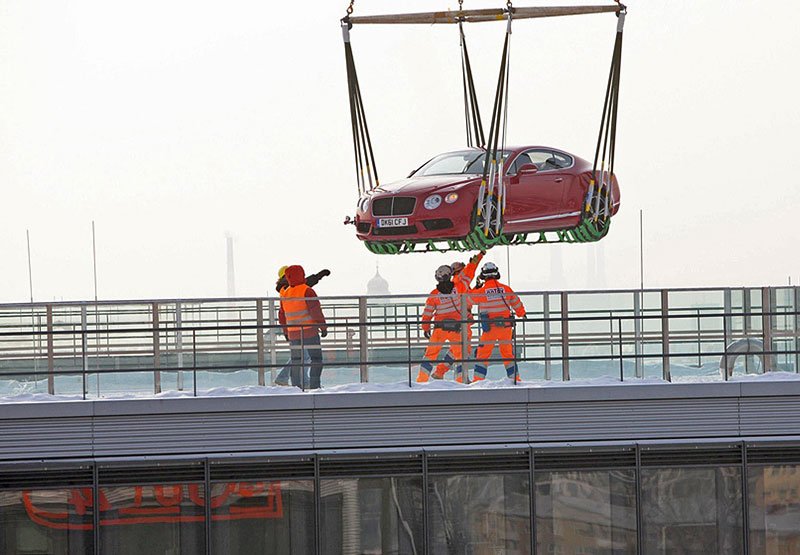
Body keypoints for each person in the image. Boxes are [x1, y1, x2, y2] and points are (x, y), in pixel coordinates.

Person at [430, 251, 485, 381]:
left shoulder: (456, 282)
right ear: (458, 271)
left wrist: (476, 288)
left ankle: (441, 372)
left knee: (461, 348)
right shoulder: (460, 280)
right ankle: (456, 377)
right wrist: (480, 255)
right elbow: (467, 295)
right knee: (463, 349)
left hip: (461, 319)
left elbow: (466, 294)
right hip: (462, 320)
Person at [274, 266, 330, 386]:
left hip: (293, 333)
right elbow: (316, 311)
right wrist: (323, 327)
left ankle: (296, 386)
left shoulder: (284, 292)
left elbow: (282, 315)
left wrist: (285, 331)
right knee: (315, 359)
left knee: (297, 360)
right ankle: (314, 385)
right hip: (309, 331)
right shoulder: (306, 290)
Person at [471, 261, 526, 381]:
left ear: (483, 275)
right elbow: (516, 302)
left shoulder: (482, 291)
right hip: (506, 328)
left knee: (483, 354)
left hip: (489, 328)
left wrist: (476, 286)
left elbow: (470, 298)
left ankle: (478, 380)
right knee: (507, 354)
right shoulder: (506, 288)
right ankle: (515, 378)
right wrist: (521, 313)